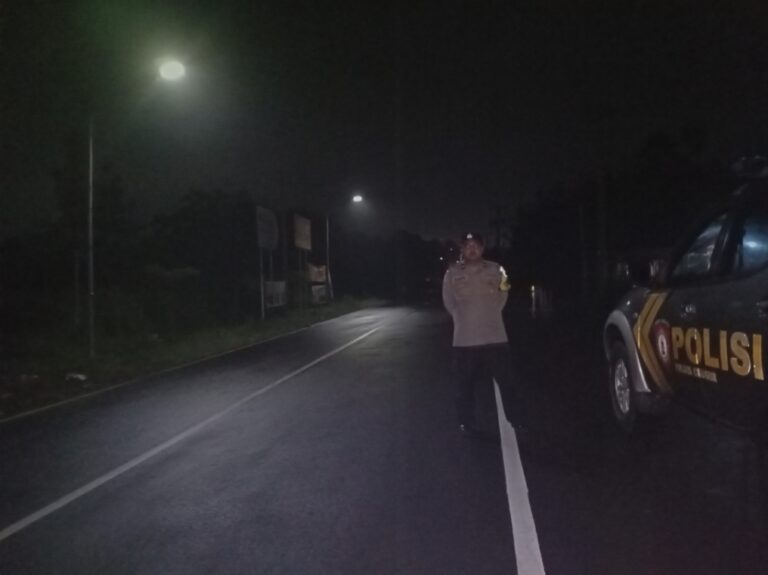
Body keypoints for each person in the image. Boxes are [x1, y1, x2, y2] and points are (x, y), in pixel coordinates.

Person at [442, 232, 521, 437]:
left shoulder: (497, 269)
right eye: (468, 246)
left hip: (496, 337)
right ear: (462, 249)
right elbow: (448, 300)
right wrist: (460, 318)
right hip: (464, 340)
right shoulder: (451, 272)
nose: (472, 249)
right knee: (464, 386)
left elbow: (505, 291)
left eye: (475, 245)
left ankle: (516, 419)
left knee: (507, 382)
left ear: (482, 248)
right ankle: (466, 422)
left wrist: (492, 313)